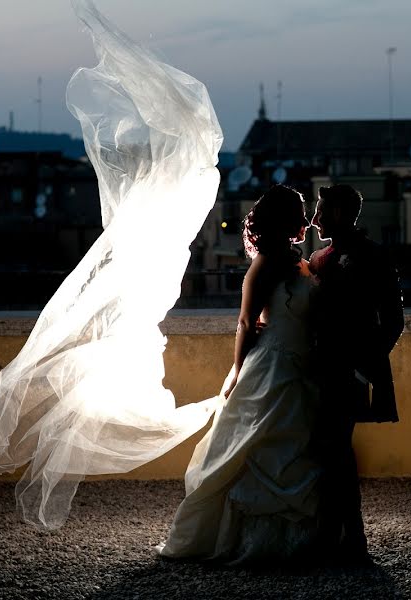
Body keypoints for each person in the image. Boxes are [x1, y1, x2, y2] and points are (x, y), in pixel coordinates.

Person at [157, 185, 322, 564]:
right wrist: (236, 373)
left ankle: (297, 541)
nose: (304, 216)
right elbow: (246, 322)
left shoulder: (299, 261)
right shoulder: (263, 264)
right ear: (284, 218)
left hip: (302, 365)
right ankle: (245, 540)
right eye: (299, 210)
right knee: (257, 448)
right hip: (272, 368)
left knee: (296, 448)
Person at [308, 184, 404, 561]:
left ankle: (349, 539)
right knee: (332, 452)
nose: (314, 220)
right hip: (317, 370)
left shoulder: (374, 258)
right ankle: (342, 537)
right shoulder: (317, 258)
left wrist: (364, 370)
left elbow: (393, 321)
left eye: (321, 211)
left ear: (339, 214)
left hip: (349, 373)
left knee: (338, 452)